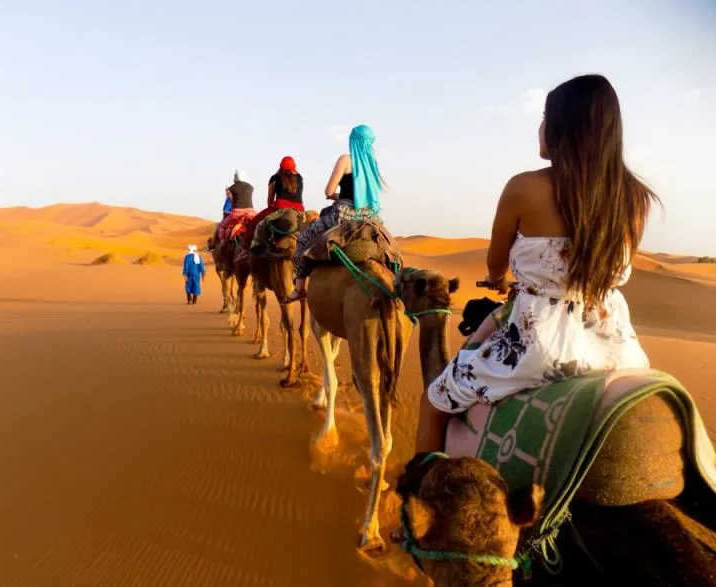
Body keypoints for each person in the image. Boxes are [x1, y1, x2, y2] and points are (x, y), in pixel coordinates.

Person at [413, 73, 660, 454]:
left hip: (539, 343)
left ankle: (419, 499)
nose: (540, 127)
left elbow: (495, 261)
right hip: (616, 343)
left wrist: (496, 277)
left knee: (432, 402)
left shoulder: (523, 188)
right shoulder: (636, 199)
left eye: (546, 117)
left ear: (565, 128)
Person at [282, 124, 384, 303]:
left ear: (353, 141)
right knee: (389, 249)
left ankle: (299, 289)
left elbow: (328, 191)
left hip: (343, 216)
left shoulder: (346, 159)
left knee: (303, 240)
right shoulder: (372, 164)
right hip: (371, 219)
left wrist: (335, 196)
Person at [240, 156, 305, 251]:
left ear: (281, 166)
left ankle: (246, 249)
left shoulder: (275, 178)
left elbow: (270, 197)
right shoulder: (299, 178)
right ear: (294, 166)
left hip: (280, 208)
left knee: (253, 223)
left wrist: (270, 209)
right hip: (299, 209)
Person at [211, 169, 255, 246]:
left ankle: (222, 242)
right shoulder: (251, 187)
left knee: (221, 226)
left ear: (236, 177)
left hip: (237, 213)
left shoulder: (231, 188)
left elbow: (232, 201)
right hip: (251, 212)